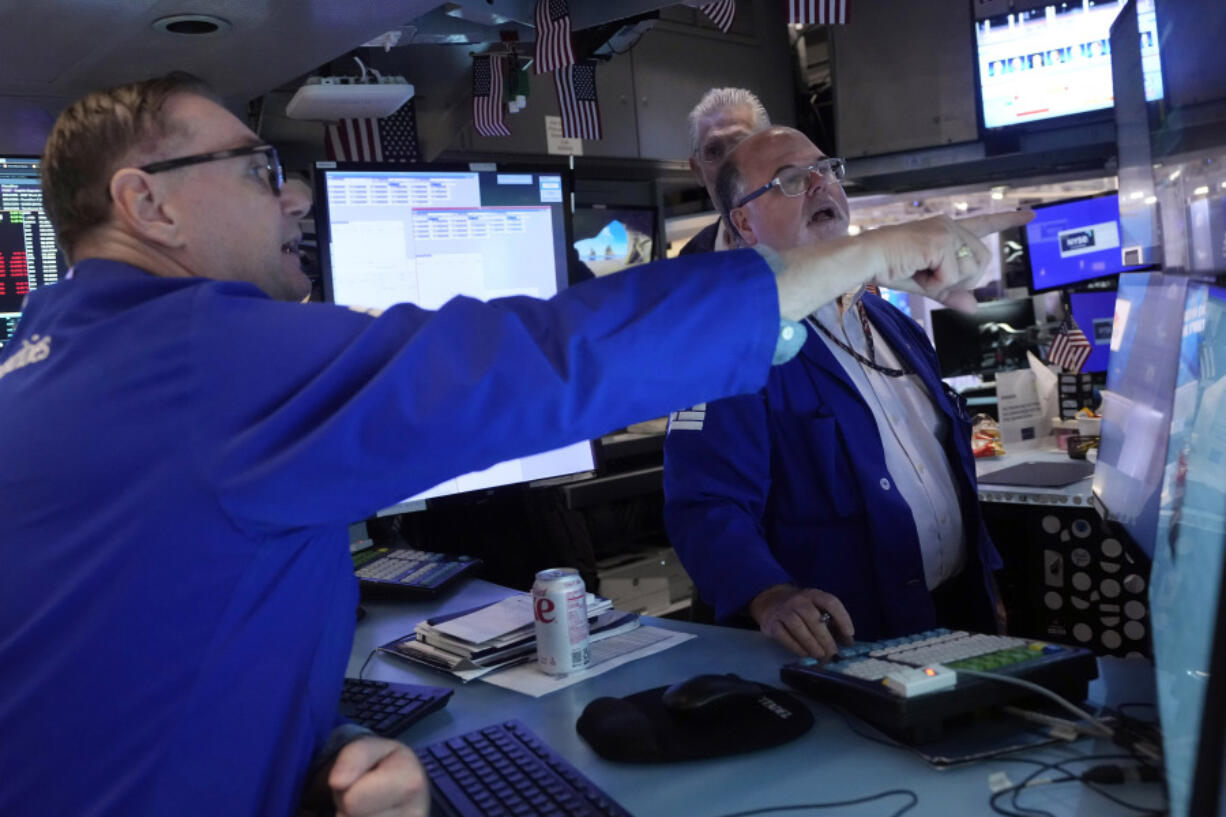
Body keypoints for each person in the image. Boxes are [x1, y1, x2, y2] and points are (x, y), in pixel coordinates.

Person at [0, 74, 1016, 817]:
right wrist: (885, 248)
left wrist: (326, 753)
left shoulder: (49, 360)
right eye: (262, 170)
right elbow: (539, 358)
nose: (295, 197)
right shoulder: (195, 353)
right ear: (147, 203)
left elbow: (146, 657)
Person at [663, 126, 1028, 660]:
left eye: (826, 169)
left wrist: (985, 581)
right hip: (851, 643)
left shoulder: (890, 320)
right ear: (744, 221)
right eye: (791, 180)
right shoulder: (731, 342)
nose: (820, 185)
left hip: (956, 617)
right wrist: (768, 595)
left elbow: (944, 466)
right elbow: (705, 503)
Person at [677, 87, 770, 255]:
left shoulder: (807, 241)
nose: (729, 164)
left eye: (741, 144)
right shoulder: (691, 259)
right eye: (713, 151)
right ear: (698, 171)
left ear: (770, 152)